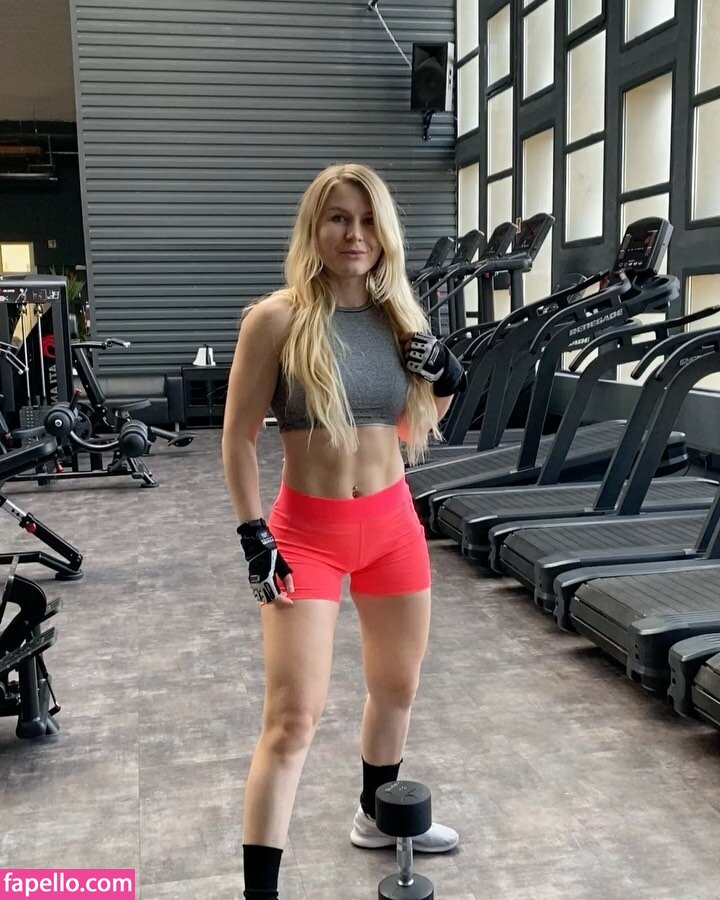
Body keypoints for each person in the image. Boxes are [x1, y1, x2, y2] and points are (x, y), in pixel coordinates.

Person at [222, 162, 466, 900]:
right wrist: (253, 535)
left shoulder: (402, 321)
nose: (353, 234)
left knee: (397, 687)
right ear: (314, 228)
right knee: (292, 717)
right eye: (338, 218)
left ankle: (376, 816)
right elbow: (237, 438)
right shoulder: (277, 319)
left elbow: (415, 424)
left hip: (392, 526)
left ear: (383, 232)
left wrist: (447, 378)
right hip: (306, 536)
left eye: (366, 220)